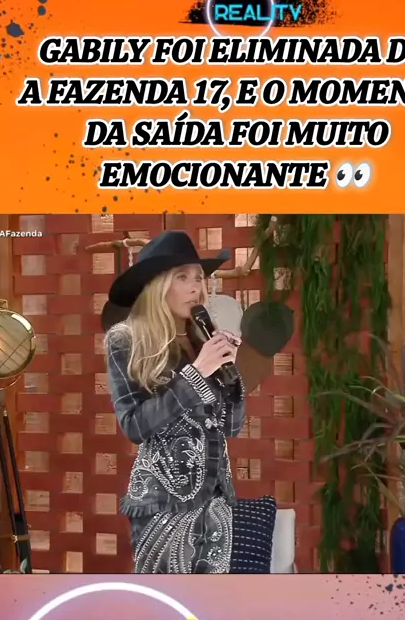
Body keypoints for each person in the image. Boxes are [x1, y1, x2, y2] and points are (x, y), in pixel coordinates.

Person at [105, 230, 277, 574]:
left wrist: (231, 372)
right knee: (170, 602)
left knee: (213, 602)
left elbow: (231, 426)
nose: (195, 287)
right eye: (182, 277)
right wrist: (197, 373)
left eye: (198, 277)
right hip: (162, 503)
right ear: (157, 285)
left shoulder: (202, 337)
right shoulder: (125, 339)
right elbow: (134, 426)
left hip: (217, 499)